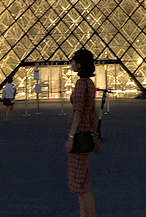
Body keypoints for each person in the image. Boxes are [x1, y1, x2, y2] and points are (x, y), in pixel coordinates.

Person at [65, 49, 99, 217]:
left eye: (73, 61)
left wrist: (70, 137)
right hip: (86, 136)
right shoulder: (90, 85)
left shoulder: (80, 85)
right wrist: (95, 135)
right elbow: (93, 112)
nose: (71, 63)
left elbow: (78, 112)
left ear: (79, 64)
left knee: (80, 184)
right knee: (83, 182)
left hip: (79, 137)